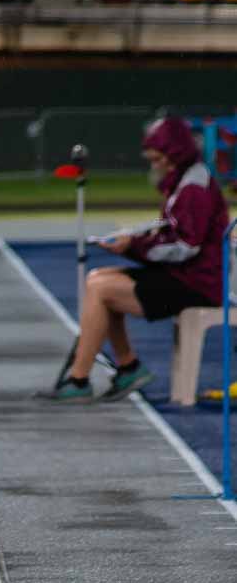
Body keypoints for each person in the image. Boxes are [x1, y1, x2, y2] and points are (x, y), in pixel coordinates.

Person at [42, 115, 230, 402]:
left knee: (102, 288)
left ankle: (80, 379)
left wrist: (134, 246)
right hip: (186, 275)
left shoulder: (193, 187)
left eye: (158, 158)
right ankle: (127, 367)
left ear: (175, 153)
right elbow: (174, 233)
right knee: (97, 279)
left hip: (197, 284)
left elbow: (185, 246)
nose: (154, 165)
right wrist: (135, 241)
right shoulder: (184, 181)